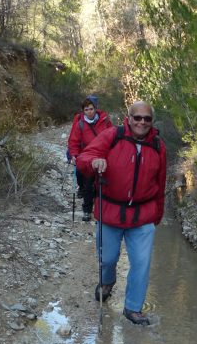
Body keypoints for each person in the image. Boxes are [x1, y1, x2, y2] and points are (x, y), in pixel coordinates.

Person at [76, 101, 167, 325]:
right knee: (107, 259)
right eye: (137, 117)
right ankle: (107, 282)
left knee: (142, 263)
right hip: (110, 212)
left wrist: (157, 215)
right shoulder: (112, 136)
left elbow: (161, 182)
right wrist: (94, 162)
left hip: (143, 215)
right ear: (129, 118)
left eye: (147, 119)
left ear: (151, 122)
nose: (142, 122)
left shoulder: (157, 145)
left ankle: (133, 308)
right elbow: (83, 159)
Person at [67, 95, 113, 221]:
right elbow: (74, 141)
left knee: (101, 185)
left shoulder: (105, 121)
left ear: (96, 108)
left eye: (91, 109)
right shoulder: (80, 124)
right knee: (87, 185)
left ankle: (101, 211)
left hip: (102, 157)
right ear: (83, 111)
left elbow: (112, 137)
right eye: (86, 110)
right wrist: (74, 155)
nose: (89, 112)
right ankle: (87, 211)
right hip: (86, 159)